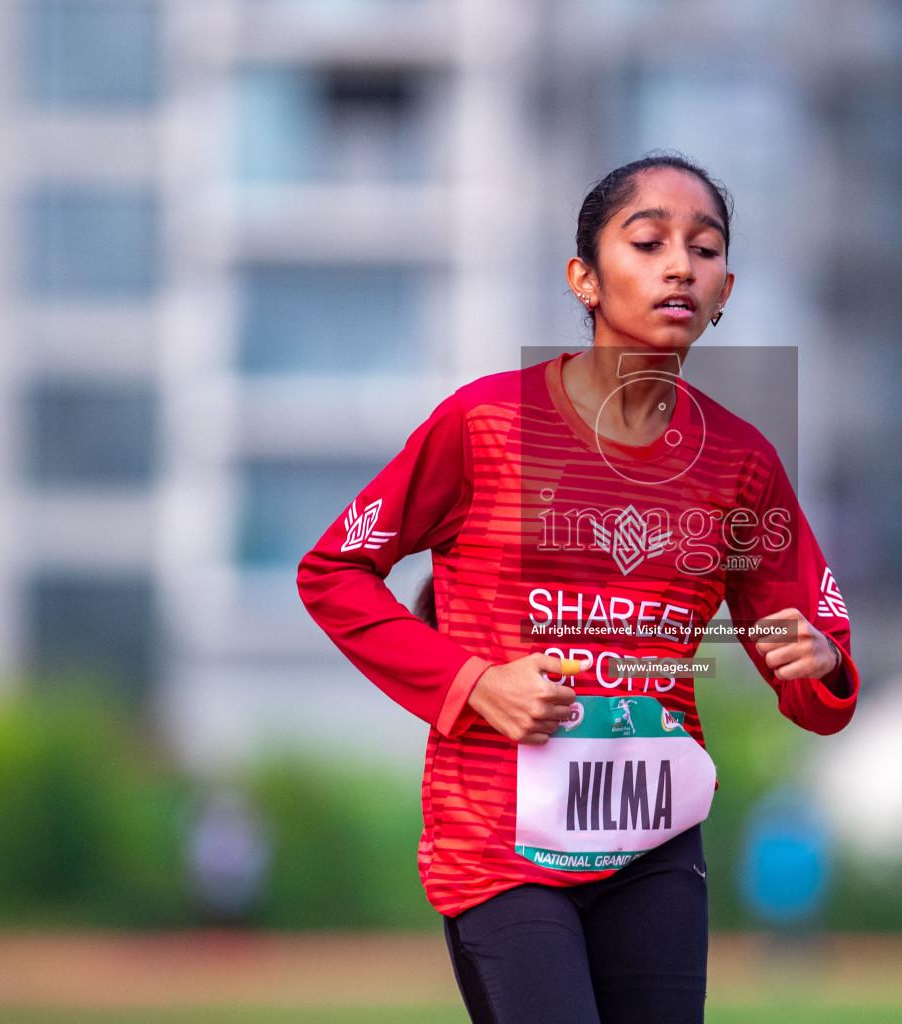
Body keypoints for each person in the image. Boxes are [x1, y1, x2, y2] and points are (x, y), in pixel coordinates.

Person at [297, 153, 860, 1024]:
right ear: (584, 280)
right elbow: (333, 571)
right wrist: (477, 685)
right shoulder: (486, 423)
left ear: (725, 289)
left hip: (656, 841)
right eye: (648, 242)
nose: (680, 265)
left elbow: (822, 686)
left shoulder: (744, 463)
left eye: (703, 250)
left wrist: (817, 658)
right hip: (501, 847)